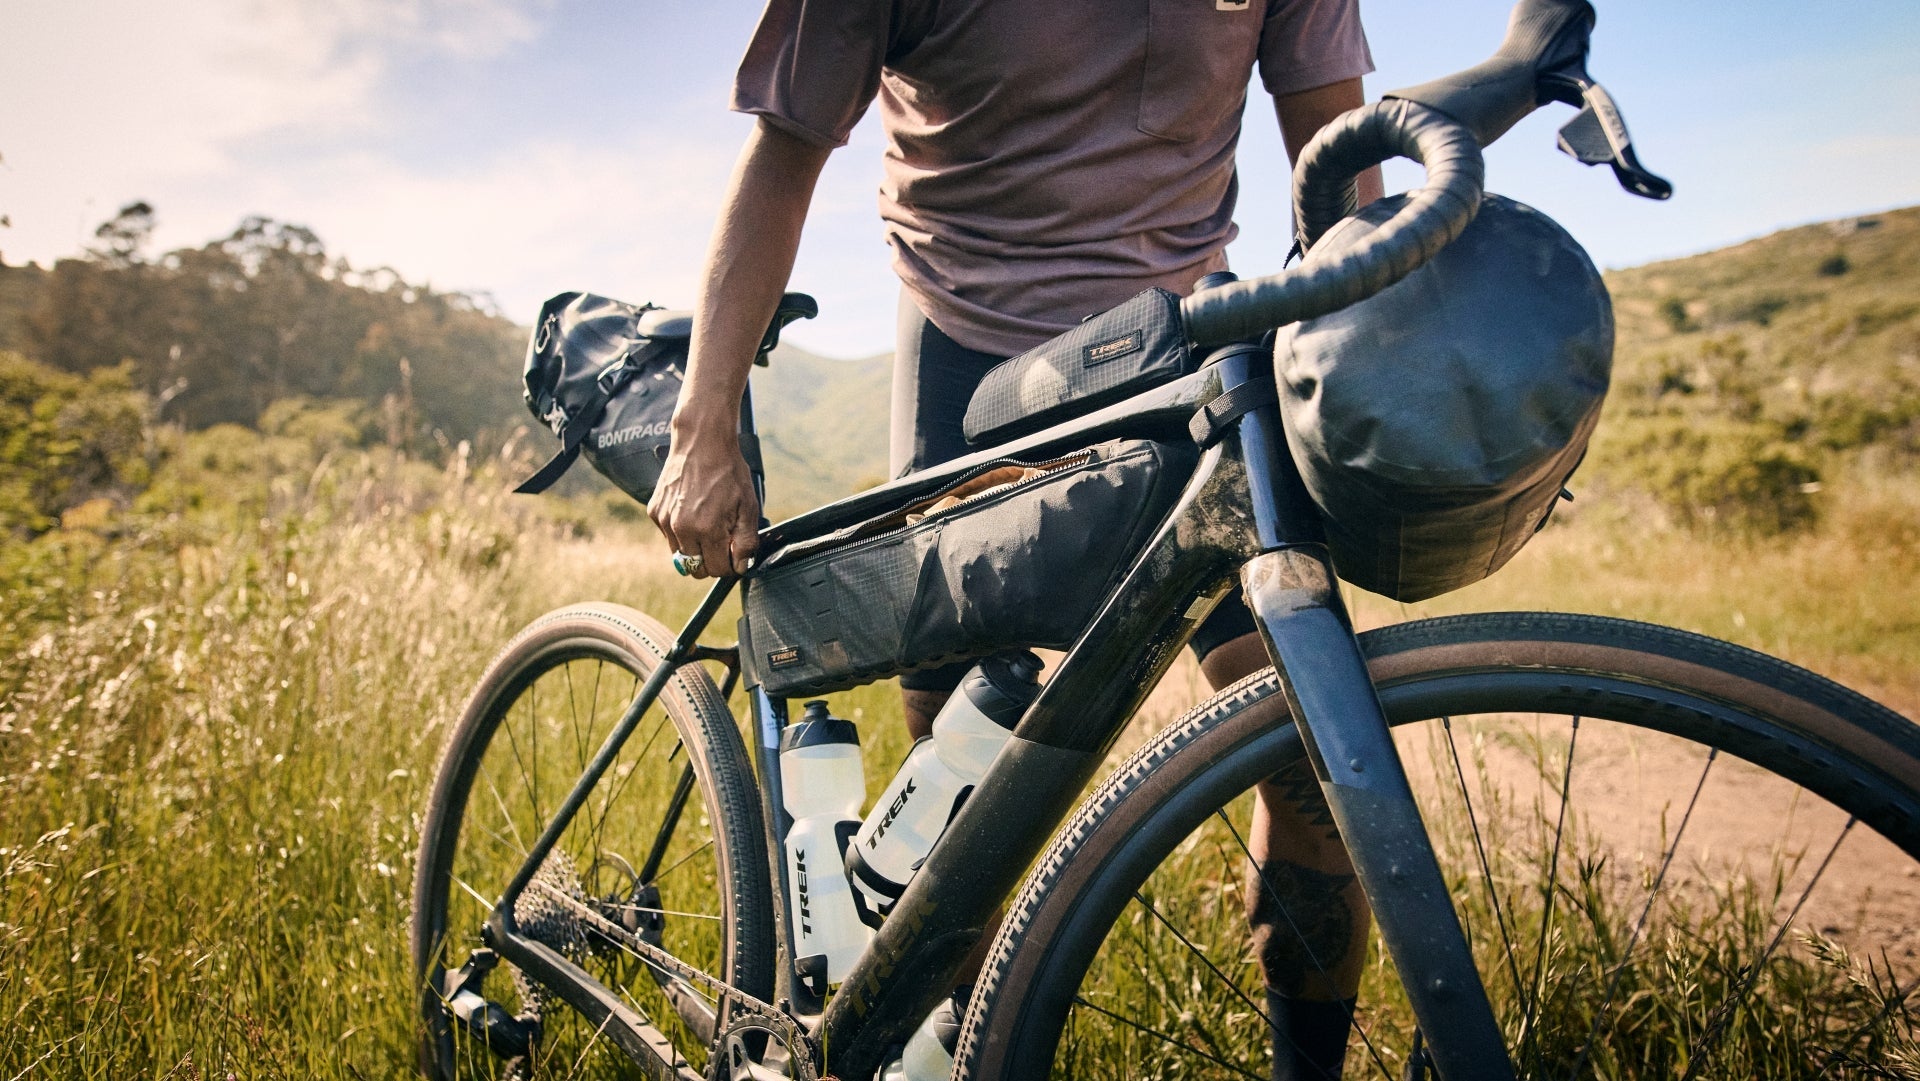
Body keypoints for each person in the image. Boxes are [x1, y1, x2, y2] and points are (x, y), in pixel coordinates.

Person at [648, 3, 1384, 1078]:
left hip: (1183, 348)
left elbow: (1339, 155)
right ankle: (961, 1047)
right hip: (969, 350)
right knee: (967, 795)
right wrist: (702, 418)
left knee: (1310, 752)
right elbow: (785, 144)